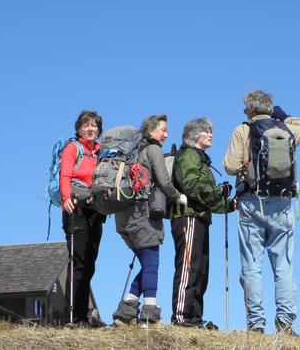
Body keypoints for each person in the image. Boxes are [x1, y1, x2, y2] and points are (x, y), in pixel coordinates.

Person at [223, 90, 300, 335]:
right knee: (284, 266)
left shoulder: (243, 130)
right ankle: (285, 323)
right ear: (270, 108)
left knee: (252, 266)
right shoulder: (286, 129)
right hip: (282, 204)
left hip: (252, 202)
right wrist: (280, 115)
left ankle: (256, 324)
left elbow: (229, 165)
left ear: (249, 110)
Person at [113, 114, 187, 326]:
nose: (166, 134)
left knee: (146, 265)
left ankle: (125, 313)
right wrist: (177, 196)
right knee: (152, 265)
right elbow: (163, 180)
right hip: (142, 214)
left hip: (122, 216)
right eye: (163, 129)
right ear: (151, 130)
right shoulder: (153, 149)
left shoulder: (131, 152)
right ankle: (149, 316)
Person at [170, 117, 233, 329]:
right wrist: (218, 191)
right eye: (207, 130)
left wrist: (230, 204)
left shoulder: (201, 159)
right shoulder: (188, 155)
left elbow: (206, 199)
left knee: (199, 270)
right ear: (195, 134)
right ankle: (181, 317)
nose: (211, 134)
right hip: (187, 217)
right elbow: (192, 187)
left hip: (199, 217)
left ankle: (194, 317)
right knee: (189, 267)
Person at [60, 109, 105, 327]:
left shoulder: (101, 152)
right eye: (86, 125)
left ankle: (82, 314)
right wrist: (66, 197)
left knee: (89, 264)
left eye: (94, 125)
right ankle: (74, 317)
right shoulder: (72, 148)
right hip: (75, 208)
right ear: (79, 129)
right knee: (78, 263)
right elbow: (66, 175)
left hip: (95, 210)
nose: (90, 129)